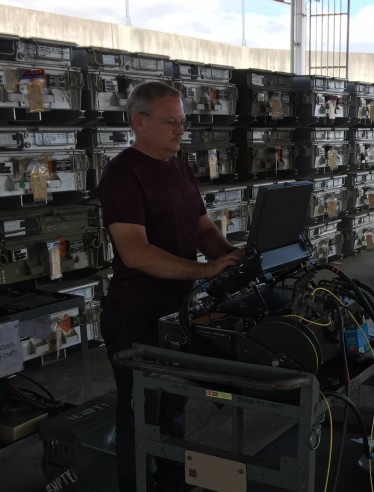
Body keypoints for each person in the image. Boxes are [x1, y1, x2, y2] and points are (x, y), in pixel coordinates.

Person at [97, 81, 244, 492]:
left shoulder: (178, 167)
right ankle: (138, 484)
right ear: (138, 121)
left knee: (174, 403)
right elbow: (136, 253)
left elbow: (203, 229)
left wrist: (233, 255)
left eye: (183, 122)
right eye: (170, 123)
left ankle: (172, 482)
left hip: (177, 310)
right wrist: (205, 271)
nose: (181, 131)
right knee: (141, 411)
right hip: (137, 314)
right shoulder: (123, 175)